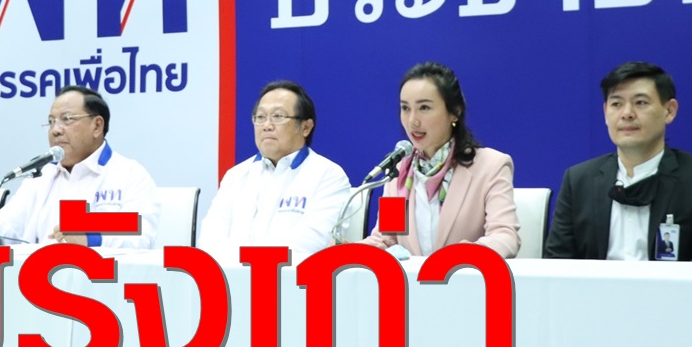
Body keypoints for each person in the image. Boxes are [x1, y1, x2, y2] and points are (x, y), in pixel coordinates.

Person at [545, 61, 692, 262]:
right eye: (617, 104)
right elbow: (557, 260)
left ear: (669, 110)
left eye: (641, 103)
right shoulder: (578, 180)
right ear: (605, 113)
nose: (627, 114)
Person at [0, 85, 157, 248]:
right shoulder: (40, 178)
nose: (55, 130)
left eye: (67, 119)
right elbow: (2, 237)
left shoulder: (128, 174)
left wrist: (90, 238)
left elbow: (141, 237)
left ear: (97, 126)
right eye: (51, 122)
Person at [365, 62, 519, 258]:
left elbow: (505, 236)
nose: (412, 120)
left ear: (455, 112)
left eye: (424, 107)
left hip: (466, 276)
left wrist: (468, 254)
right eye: (405, 108)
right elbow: (387, 239)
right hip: (412, 279)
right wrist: (349, 251)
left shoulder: (490, 166)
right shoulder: (400, 172)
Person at [198, 80, 350, 260]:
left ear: (306, 127)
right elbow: (209, 239)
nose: (267, 125)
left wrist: (250, 265)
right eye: (260, 117)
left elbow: (313, 244)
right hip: (231, 274)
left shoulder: (329, 175)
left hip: (294, 276)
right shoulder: (236, 175)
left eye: (278, 116)